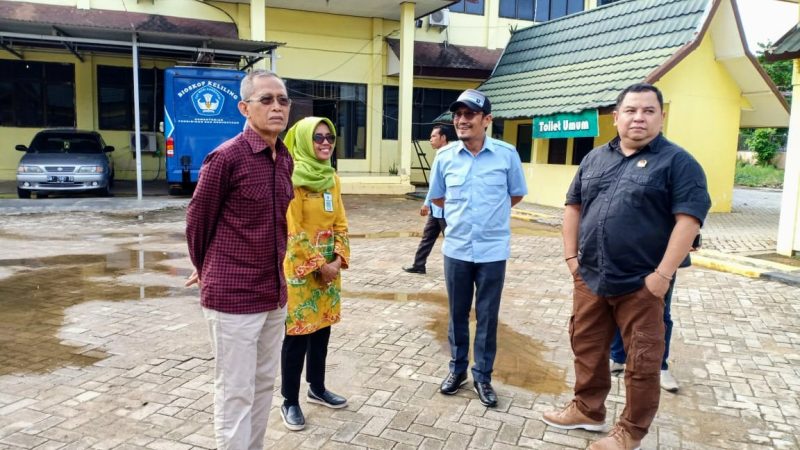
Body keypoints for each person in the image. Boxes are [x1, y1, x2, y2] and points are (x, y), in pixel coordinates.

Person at [542, 83, 711, 450]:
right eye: (631, 110)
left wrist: (661, 276)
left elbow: (689, 220)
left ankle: (631, 431)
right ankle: (587, 410)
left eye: (649, 111)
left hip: (641, 283)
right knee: (586, 346)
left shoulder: (678, 163)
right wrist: (571, 259)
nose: (639, 118)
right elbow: (573, 207)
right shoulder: (594, 159)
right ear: (616, 117)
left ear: (662, 117)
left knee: (643, 360)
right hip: (590, 276)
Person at [185, 69, 294, 450]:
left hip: (273, 295)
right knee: (235, 390)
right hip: (233, 298)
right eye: (266, 100)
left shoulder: (284, 158)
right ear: (244, 108)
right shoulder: (226, 158)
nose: (277, 107)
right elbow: (197, 222)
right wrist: (205, 268)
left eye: (282, 100)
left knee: (263, 384)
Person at [427, 89, 527, 408]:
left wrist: (489, 217)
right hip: (456, 249)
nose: (461, 120)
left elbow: (516, 194)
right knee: (457, 314)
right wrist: (463, 217)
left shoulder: (506, 155)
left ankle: (482, 376)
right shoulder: (445, 157)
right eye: (458, 114)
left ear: (487, 120)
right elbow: (437, 197)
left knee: (487, 316)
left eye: (469, 114)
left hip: (492, 252)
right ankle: (457, 370)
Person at [279, 117, 350, 431]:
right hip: (300, 270)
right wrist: (320, 265)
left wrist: (337, 260)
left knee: (322, 331)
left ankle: (317, 388)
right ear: (304, 141)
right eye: (318, 137)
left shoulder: (331, 178)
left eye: (330, 137)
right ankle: (289, 400)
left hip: (329, 270)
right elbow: (292, 231)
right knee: (297, 336)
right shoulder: (291, 178)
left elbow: (341, 222)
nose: (325, 143)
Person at [403, 124, 451, 274]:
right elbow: (434, 184)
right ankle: (419, 265)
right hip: (436, 210)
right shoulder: (440, 155)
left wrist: (426, 204)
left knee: (452, 241)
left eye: (434, 136)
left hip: (445, 210)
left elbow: (437, 186)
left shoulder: (447, 156)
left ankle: (458, 270)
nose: (430, 139)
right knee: (427, 237)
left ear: (443, 138)